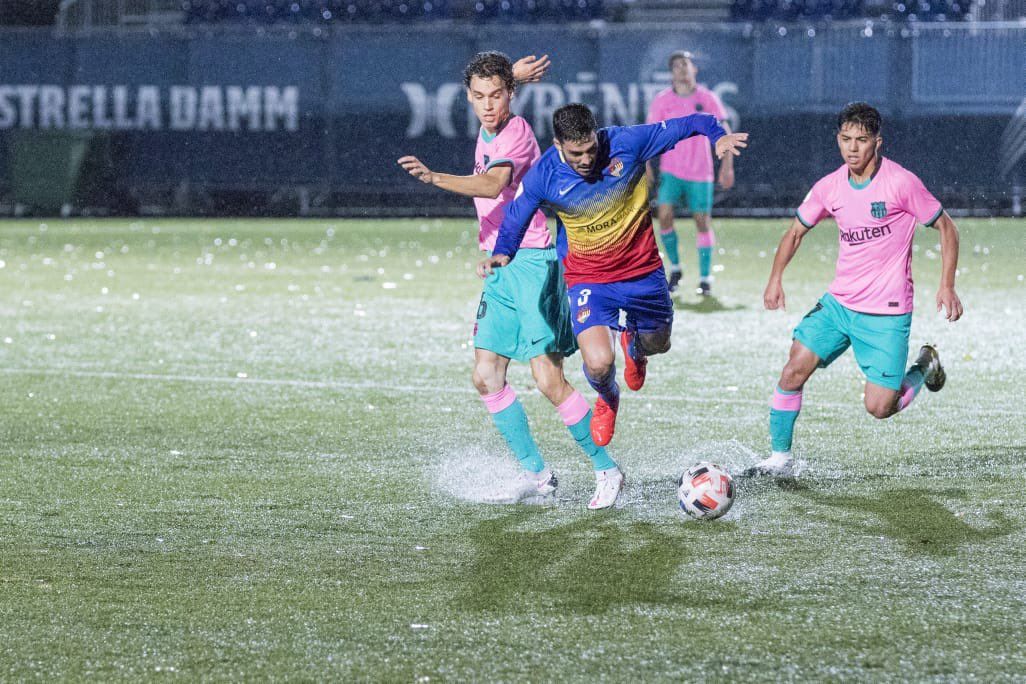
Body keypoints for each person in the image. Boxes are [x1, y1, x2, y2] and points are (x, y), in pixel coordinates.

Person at [479, 103, 748, 505]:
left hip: (642, 272)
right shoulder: (545, 174)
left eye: (590, 149)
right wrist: (503, 251)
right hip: (589, 281)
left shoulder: (626, 142)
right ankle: (608, 398)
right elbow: (517, 213)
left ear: (597, 135)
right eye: (576, 154)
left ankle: (636, 347)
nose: (587, 160)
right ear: (558, 146)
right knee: (599, 363)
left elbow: (689, 122)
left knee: (659, 342)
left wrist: (716, 134)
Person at [398, 52, 620, 509]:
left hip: (533, 261)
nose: (487, 105)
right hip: (500, 264)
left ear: (511, 97)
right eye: (478, 97)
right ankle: (540, 476)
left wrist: (434, 176)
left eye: (496, 96)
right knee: (485, 376)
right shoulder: (490, 120)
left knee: (547, 379)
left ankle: (606, 468)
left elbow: (492, 185)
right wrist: (507, 77)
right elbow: (489, 88)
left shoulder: (516, 132)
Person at [749, 102, 963, 477]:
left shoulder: (900, 182)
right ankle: (780, 459)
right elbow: (796, 231)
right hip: (839, 304)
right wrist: (775, 277)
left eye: (861, 140)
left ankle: (925, 365)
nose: (852, 148)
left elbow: (947, 227)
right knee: (792, 371)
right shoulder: (829, 187)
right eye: (846, 139)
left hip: (887, 311)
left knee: (881, 408)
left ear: (877, 143)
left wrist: (947, 284)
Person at [646, 50, 735, 296]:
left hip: (700, 172)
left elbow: (724, 130)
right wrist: (646, 164)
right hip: (671, 170)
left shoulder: (707, 99)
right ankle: (675, 269)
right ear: (671, 73)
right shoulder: (662, 101)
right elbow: (650, 134)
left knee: (702, 222)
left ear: (694, 69)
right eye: (676, 66)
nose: (681, 69)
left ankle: (705, 278)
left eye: (685, 64)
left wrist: (727, 166)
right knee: (663, 216)